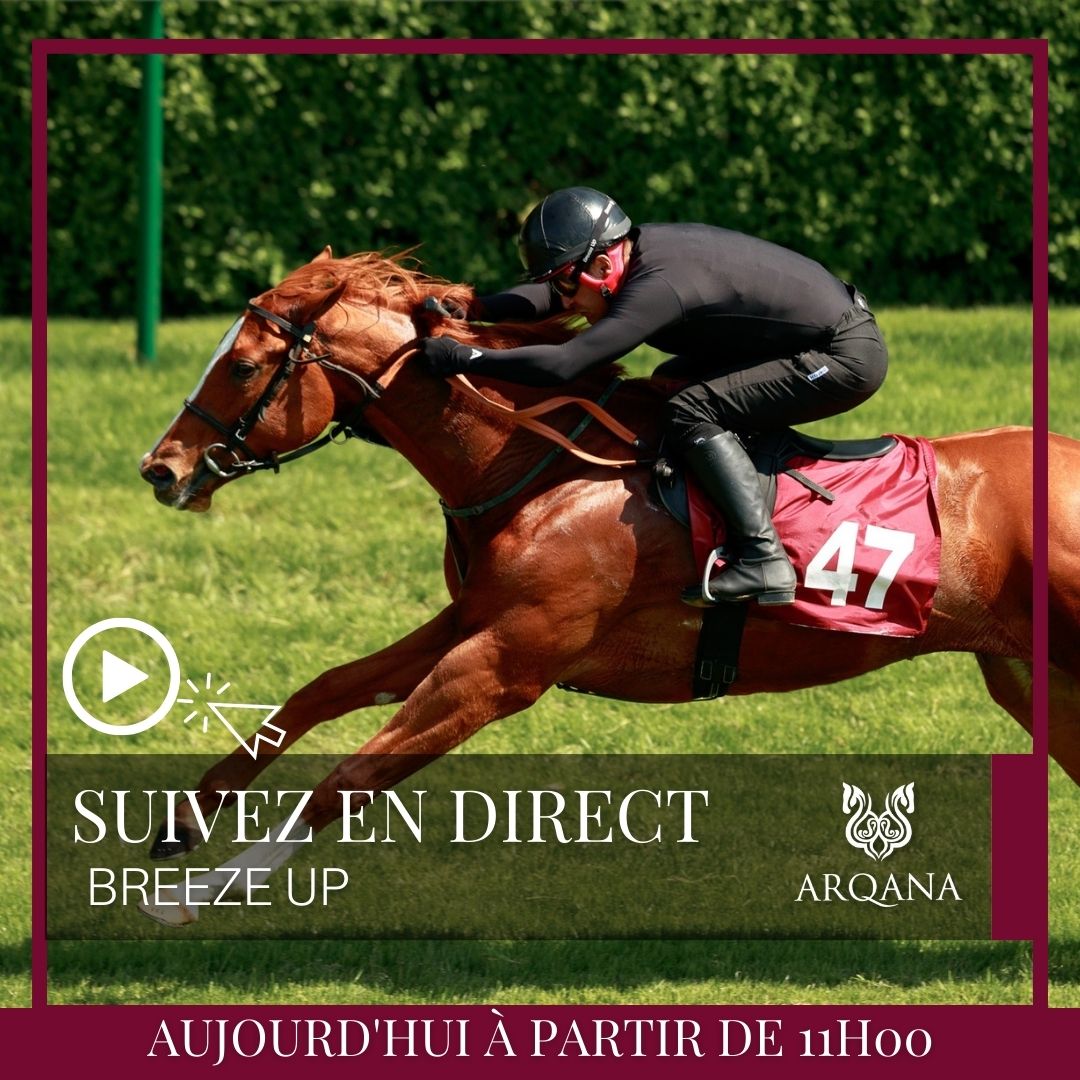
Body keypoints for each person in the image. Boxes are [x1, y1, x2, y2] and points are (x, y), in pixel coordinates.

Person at [419, 187, 888, 607]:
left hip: (843, 356)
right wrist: (476, 307)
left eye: (564, 283)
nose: (563, 300)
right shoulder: (628, 254)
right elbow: (546, 300)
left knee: (691, 409)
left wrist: (466, 358)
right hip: (804, 340)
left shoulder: (659, 286)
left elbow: (565, 363)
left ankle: (763, 558)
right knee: (667, 382)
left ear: (602, 267)